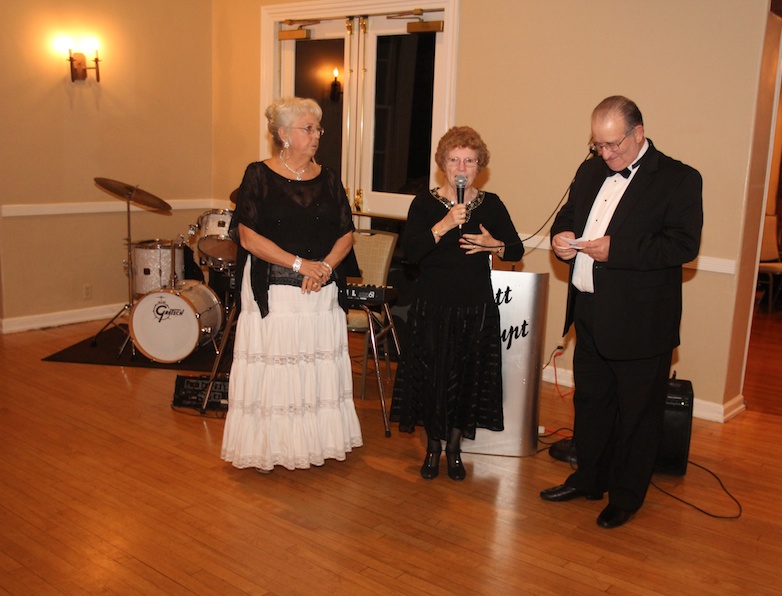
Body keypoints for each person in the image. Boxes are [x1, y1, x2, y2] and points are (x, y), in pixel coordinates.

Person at [543, 96, 703, 528]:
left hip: (641, 320)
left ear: (638, 133)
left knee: (637, 413)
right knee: (592, 404)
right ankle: (590, 478)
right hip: (590, 310)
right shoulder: (590, 169)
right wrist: (563, 235)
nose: (606, 154)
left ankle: (627, 495)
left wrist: (617, 250)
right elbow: (571, 213)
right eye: (598, 145)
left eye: (614, 145)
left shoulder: (679, 179)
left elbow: (683, 246)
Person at [220, 97, 362, 472]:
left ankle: (317, 442)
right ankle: (275, 447)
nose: (317, 135)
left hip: (320, 290)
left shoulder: (329, 177)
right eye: (308, 128)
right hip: (276, 289)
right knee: (280, 367)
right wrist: (301, 265)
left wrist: (325, 268)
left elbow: (347, 234)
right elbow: (248, 238)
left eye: (318, 129)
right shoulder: (258, 174)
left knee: (314, 366)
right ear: (283, 134)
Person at [390, 126, 524, 481]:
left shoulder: (491, 204)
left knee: (465, 380)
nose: (461, 166)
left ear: (479, 166)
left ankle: (454, 450)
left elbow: (516, 251)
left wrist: (491, 244)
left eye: (469, 160)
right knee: (434, 380)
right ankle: (432, 449)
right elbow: (411, 255)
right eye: (454, 159)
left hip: (475, 308)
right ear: (442, 164)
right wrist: (445, 224)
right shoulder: (424, 204)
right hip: (432, 307)